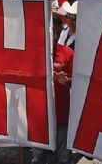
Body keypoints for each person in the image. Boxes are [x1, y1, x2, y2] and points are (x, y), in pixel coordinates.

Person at [31, 17, 74, 164]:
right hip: (41, 117)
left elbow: (77, 83)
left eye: (58, 32)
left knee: (64, 158)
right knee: (38, 158)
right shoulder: (35, 53)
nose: (55, 37)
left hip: (62, 116)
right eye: (52, 32)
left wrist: (67, 81)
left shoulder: (68, 53)